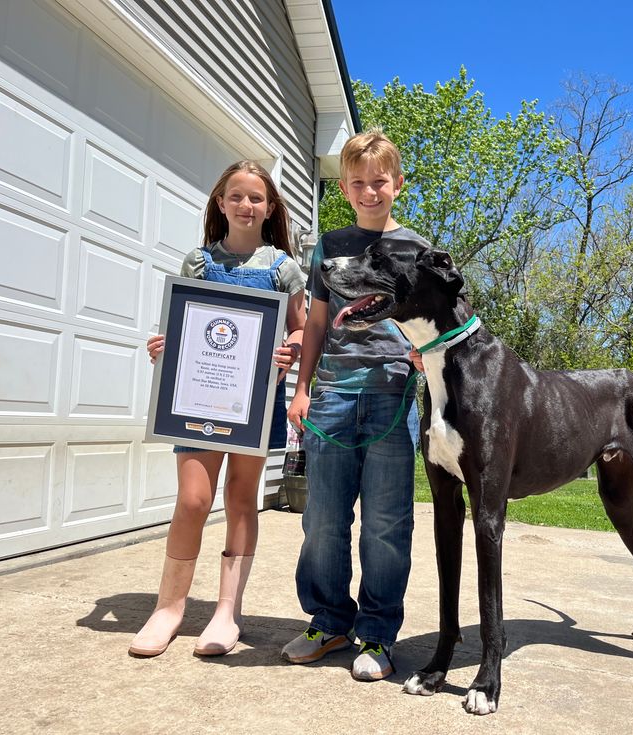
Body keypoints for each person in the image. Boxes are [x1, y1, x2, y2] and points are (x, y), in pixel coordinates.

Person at [129, 161, 307, 657]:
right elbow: (183, 324)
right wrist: (165, 347)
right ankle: (168, 608)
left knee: (241, 497)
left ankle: (228, 611)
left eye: (256, 198)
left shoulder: (283, 268)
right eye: (236, 196)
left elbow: (299, 327)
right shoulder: (199, 262)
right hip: (198, 399)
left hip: (254, 402)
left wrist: (290, 350)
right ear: (220, 203)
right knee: (192, 500)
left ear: (269, 208)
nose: (246, 205)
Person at [283, 130, 424, 681]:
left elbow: (432, 321)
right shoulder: (330, 246)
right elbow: (316, 324)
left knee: (386, 524)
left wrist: (424, 353)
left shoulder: (415, 249)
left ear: (398, 183)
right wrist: (302, 390)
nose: (370, 192)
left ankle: (378, 634)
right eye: (359, 183)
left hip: (393, 396)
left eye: (379, 181)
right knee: (323, 519)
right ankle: (329, 622)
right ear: (344, 188)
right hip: (333, 396)